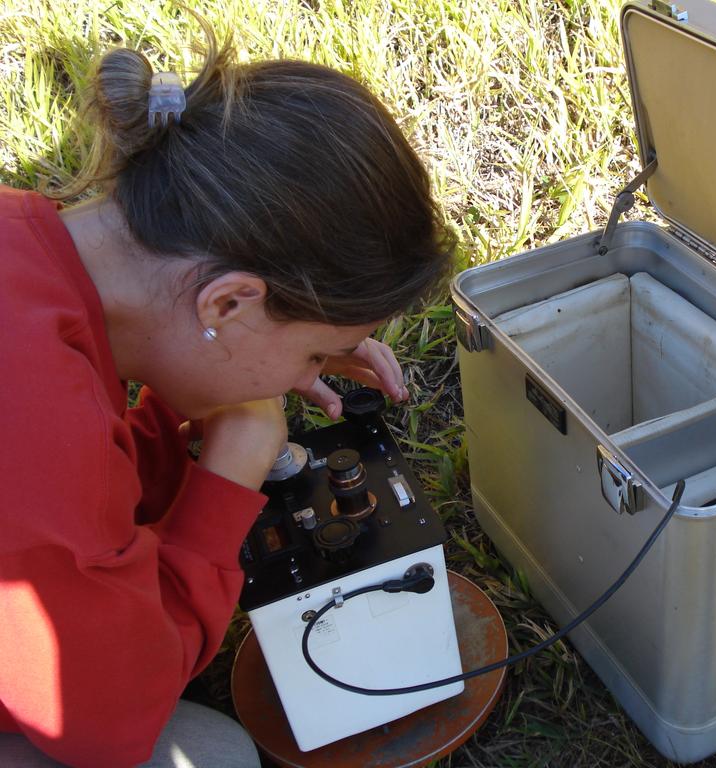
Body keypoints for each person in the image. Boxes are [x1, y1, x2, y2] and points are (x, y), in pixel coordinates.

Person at [0, 20, 452, 768]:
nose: (309, 372)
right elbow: (108, 720)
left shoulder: (27, 240)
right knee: (212, 757)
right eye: (312, 350)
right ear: (227, 305)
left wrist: (189, 406)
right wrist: (225, 478)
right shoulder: (36, 437)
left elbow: (83, 501)